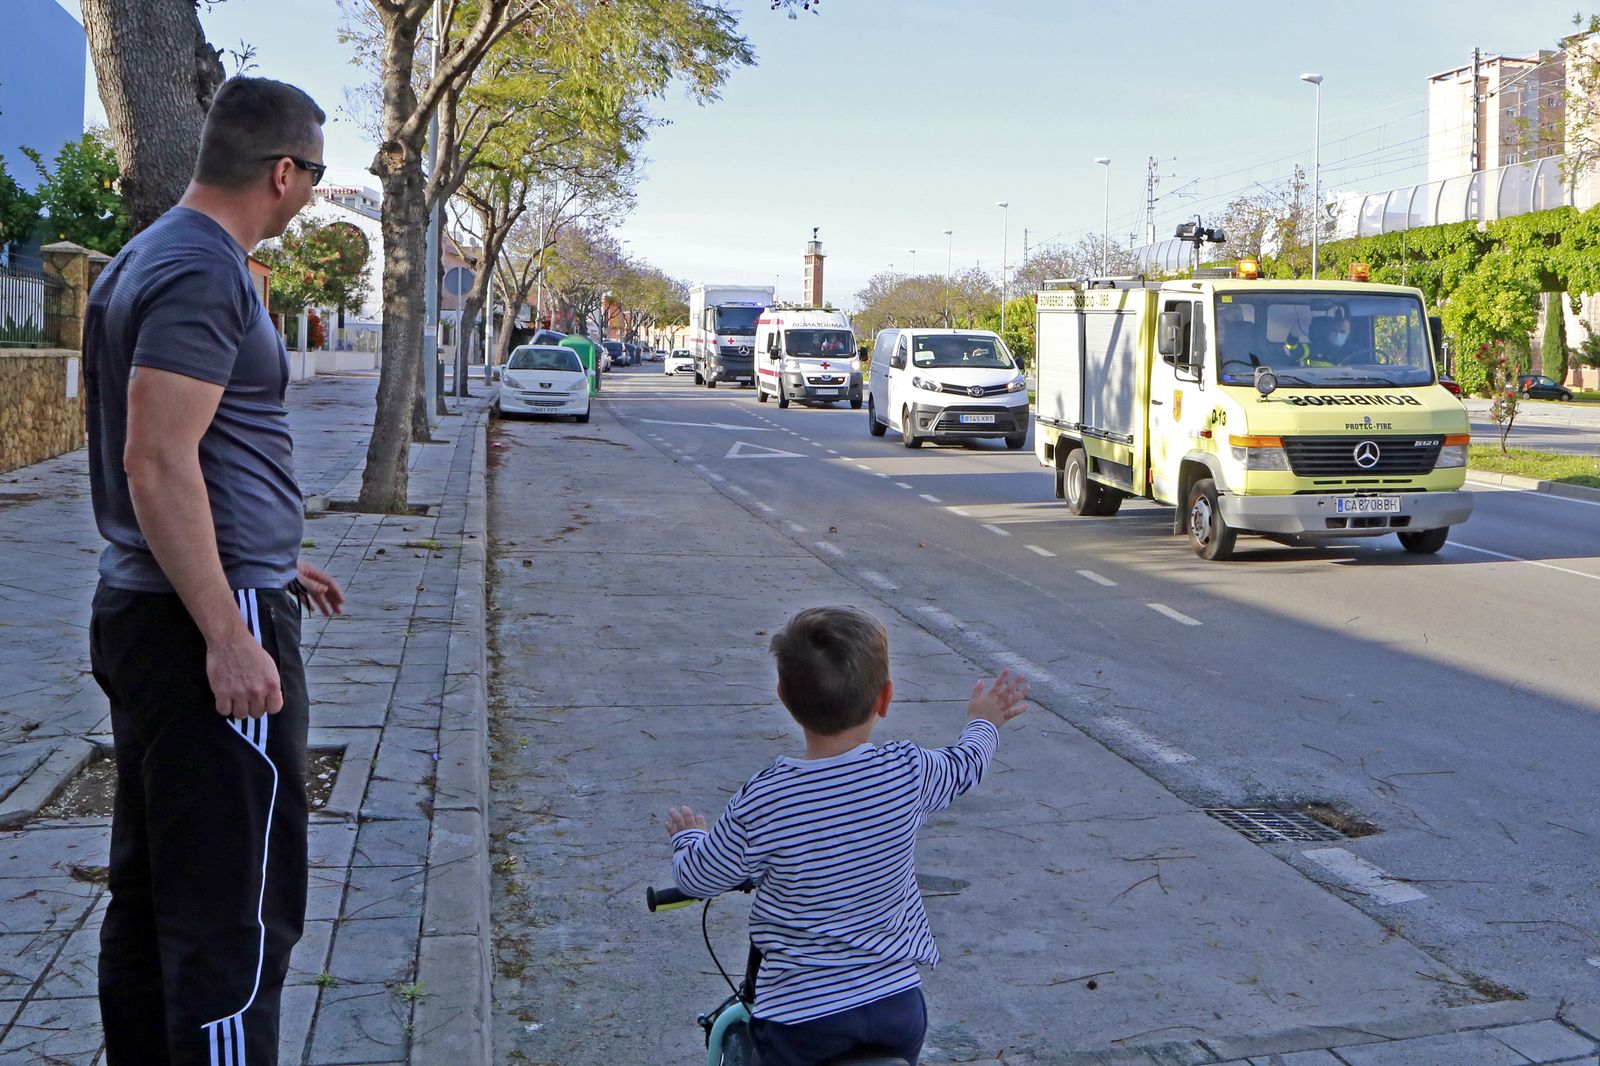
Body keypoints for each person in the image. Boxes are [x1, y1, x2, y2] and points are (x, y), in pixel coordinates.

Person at [83, 76, 344, 1066]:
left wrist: (274, 554)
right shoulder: (205, 271)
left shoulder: (148, 255)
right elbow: (155, 457)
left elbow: (191, 449)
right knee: (234, 908)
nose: (313, 193)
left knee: (157, 885)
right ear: (285, 172)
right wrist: (232, 631)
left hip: (173, 594)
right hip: (202, 618)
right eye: (314, 177)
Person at [663, 606, 1029, 1066]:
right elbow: (965, 764)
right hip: (896, 1009)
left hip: (802, 1023)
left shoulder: (766, 798)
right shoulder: (907, 771)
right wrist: (985, 720)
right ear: (885, 698)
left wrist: (689, 839)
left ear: (782, 695)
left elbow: (699, 878)